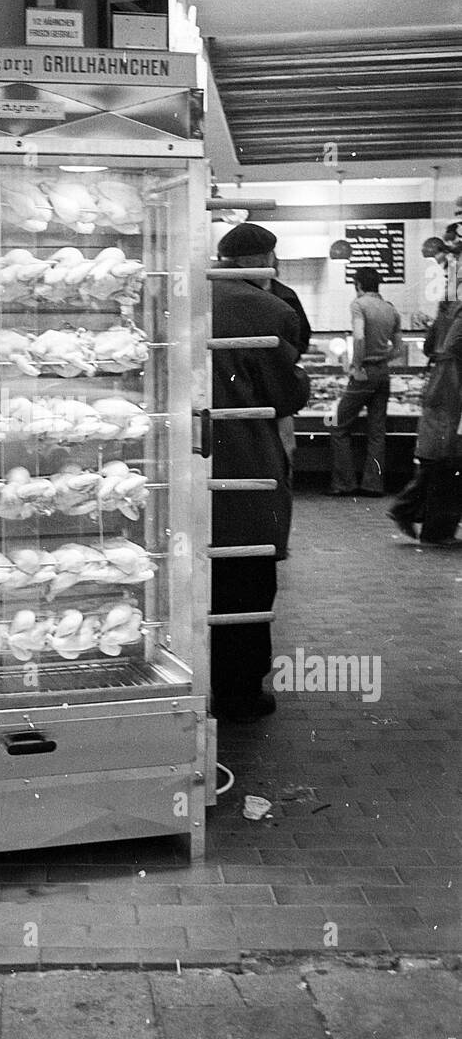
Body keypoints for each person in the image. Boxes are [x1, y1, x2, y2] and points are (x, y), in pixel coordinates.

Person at [211, 223, 311, 722]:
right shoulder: (272, 310)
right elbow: (285, 396)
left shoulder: (185, 296)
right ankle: (239, 691)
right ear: (268, 259)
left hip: (182, 459)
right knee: (247, 578)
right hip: (245, 465)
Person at [388, 298, 462, 545]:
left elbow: (430, 346)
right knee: (447, 458)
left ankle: (409, 510)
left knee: (441, 457)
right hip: (453, 390)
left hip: (441, 386)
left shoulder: (447, 309)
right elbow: (452, 344)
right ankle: (433, 528)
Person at [329, 267, 402, 496]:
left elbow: (359, 336)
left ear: (358, 284)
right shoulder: (391, 309)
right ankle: (373, 485)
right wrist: (381, 359)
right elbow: (399, 349)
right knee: (377, 432)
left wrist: (358, 365)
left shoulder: (359, 305)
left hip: (365, 373)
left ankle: (344, 484)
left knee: (338, 425)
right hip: (383, 374)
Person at [269, 251, 311, 478]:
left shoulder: (221, 294)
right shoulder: (287, 295)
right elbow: (303, 337)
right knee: (285, 447)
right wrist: (288, 360)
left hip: (247, 388)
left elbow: (302, 336)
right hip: (279, 385)